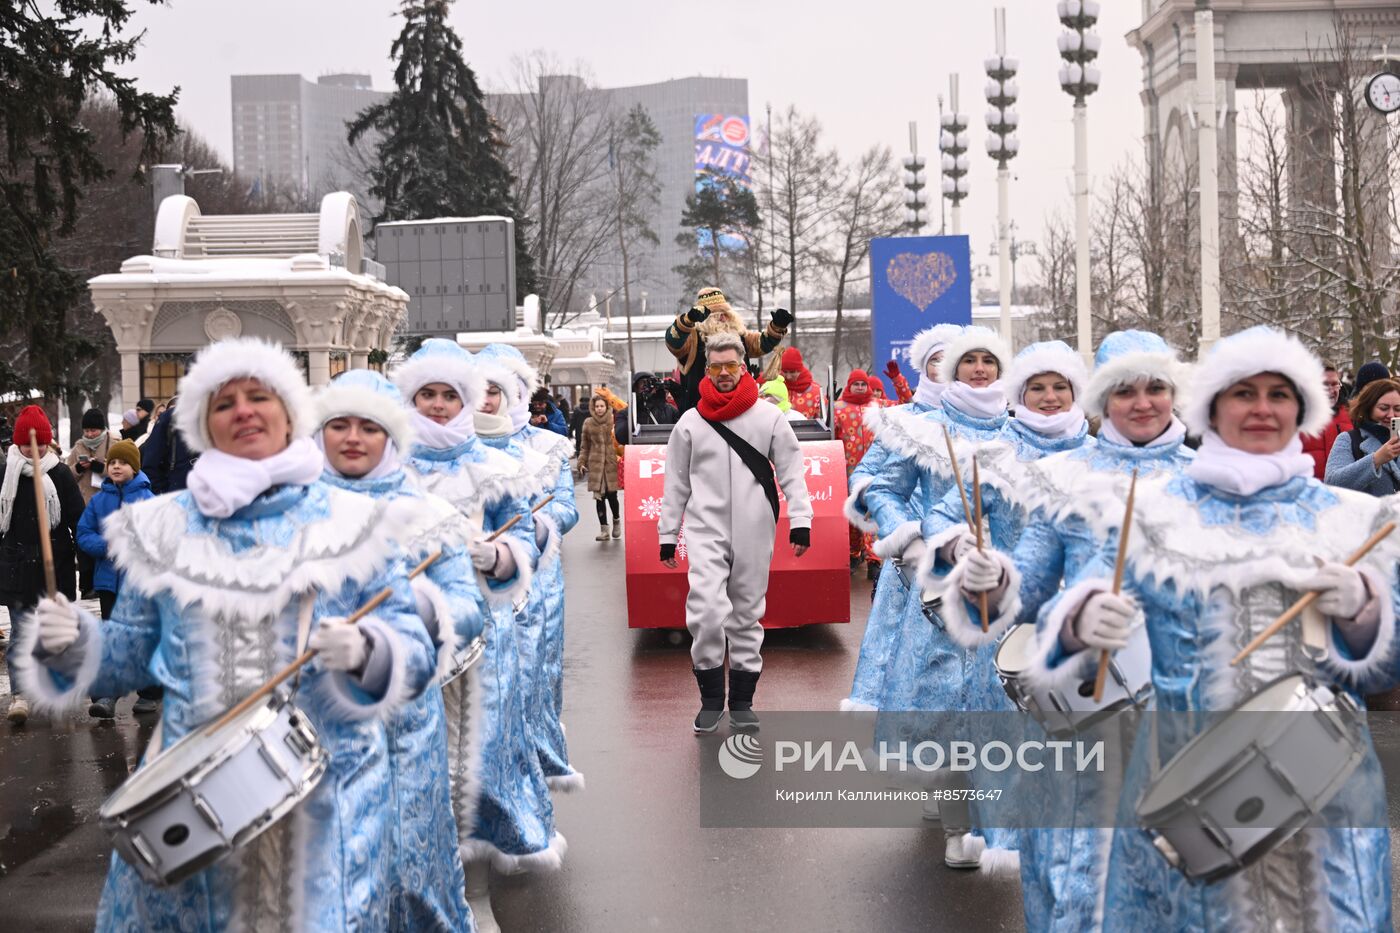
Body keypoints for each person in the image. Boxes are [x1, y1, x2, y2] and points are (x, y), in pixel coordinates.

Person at [16, 337, 436, 929]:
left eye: (258, 396)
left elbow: (415, 655)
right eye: (224, 402)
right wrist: (76, 646)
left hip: (326, 800)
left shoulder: (352, 524)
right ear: (201, 425)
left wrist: (371, 653)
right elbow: (130, 658)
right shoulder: (160, 529)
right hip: (188, 804)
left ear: (289, 413)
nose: (242, 410)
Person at [1036, 326, 1399, 931]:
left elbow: (1386, 673)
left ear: (1303, 408)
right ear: (1212, 407)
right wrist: (1078, 623)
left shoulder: (1354, 519)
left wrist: (1363, 614)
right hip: (1183, 782)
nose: (1261, 409)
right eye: (1242, 393)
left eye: (1278, 394)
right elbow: (1072, 630)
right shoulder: (1148, 515)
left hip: (1323, 792)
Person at [949, 329, 1193, 929]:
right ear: (1102, 400)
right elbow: (1026, 588)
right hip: (1081, 702)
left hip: (1181, 706)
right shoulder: (1062, 478)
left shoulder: (1207, 478)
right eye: (1124, 390)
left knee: (1176, 872)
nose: (1142, 402)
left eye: (1155, 387)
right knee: (1070, 865)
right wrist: (991, 580)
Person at [393, 339, 558, 929]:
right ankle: (418, 899)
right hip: (404, 647)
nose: (437, 405)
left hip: (482, 643)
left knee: (473, 773)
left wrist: (497, 556)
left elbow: (528, 542)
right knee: (413, 776)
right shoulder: (385, 465)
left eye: (449, 395)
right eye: (426, 394)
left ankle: (475, 895)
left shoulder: (494, 470)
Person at [315, 368, 481, 932]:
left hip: (408, 722)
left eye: (371, 426)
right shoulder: (292, 515)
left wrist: (413, 617)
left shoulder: (428, 515)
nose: (354, 437)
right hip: (322, 726)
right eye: (339, 424)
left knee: (414, 864)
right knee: (335, 873)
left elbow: (467, 606)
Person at [860, 325, 1011, 868]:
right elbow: (875, 485)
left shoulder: (1020, 432)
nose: (976, 369)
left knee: (998, 707)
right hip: (934, 588)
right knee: (945, 704)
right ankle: (957, 824)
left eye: (986, 361)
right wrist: (911, 539)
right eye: (964, 361)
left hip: (1008, 595)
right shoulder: (923, 430)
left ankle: (991, 813)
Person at [658, 331, 813, 734]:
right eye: (716, 367)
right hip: (705, 528)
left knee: (746, 615)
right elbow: (675, 483)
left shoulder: (769, 417)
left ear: (744, 367)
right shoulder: (691, 422)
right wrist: (667, 532)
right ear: (706, 370)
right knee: (707, 611)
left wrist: (802, 520)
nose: (724, 374)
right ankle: (711, 700)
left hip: (755, 527)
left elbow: (793, 471)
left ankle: (741, 700)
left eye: (731, 366)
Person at [476, 343, 584, 793]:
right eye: (478, 388)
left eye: (497, 389)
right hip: (476, 582)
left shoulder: (548, 446)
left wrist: (532, 527)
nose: (486, 398)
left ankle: (534, 774)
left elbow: (566, 508)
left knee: (532, 678)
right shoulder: (457, 447)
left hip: (538, 584)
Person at [840, 323, 963, 714]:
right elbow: (866, 475)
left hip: (967, 552)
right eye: (934, 362)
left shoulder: (984, 417)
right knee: (899, 643)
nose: (942, 370)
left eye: (950, 362)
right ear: (923, 368)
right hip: (911, 553)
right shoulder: (903, 419)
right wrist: (901, 528)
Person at [2, 406, 84, 725]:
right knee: (21, 633)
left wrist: (85, 552)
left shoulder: (59, 474)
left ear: (48, 444)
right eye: (27, 446)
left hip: (54, 565)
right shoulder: (4, 474)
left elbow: (77, 517)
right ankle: (20, 695)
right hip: (17, 566)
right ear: (18, 444)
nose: (33, 451)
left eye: (39, 446)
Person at [74, 439, 160, 720]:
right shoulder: (99, 499)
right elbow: (84, 531)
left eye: (122, 462)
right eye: (112, 462)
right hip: (109, 582)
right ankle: (108, 695)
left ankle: (150, 691)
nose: (116, 467)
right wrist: (107, 546)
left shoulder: (147, 499)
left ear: (134, 468)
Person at [665, 286, 791, 412]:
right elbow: (673, 342)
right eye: (717, 314)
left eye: (725, 313)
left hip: (740, 407)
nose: (723, 318)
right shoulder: (692, 338)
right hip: (703, 410)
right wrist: (686, 321)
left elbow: (761, 343)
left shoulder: (738, 334)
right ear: (703, 318)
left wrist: (776, 327)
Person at [834, 368, 909, 575]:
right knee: (851, 514)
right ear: (849, 385)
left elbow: (907, 404)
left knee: (871, 512)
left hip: (875, 470)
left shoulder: (880, 406)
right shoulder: (838, 408)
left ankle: (874, 561)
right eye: (856, 384)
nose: (860, 387)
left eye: (863, 384)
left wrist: (898, 381)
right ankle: (853, 553)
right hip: (847, 469)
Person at [65, 408, 119, 598]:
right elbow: (67, 474)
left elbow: (120, 469)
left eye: (93, 430)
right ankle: (86, 586)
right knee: (85, 544)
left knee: (105, 542)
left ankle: (104, 584)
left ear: (102, 429)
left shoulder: (113, 444)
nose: (89, 434)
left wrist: (100, 467)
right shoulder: (78, 446)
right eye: (86, 430)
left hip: (107, 501)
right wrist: (78, 467)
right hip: (84, 502)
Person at [1323, 376, 1400, 496]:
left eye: (1398, 409)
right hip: (1367, 514)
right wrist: (1376, 459)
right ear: (1369, 408)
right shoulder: (1349, 439)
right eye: (1383, 408)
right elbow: (1332, 482)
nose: (1391, 415)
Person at [578, 394, 622, 541]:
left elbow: (621, 440)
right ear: (593, 407)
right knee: (599, 498)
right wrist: (581, 462)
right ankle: (604, 530)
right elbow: (585, 445)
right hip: (596, 463)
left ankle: (616, 520)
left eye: (602, 406)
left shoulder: (613, 420)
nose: (599, 409)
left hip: (610, 463)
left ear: (607, 406)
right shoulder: (588, 423)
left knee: (612, 497)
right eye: (597, 406)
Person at [1301, 361, 1353, 478]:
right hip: (1308, 491)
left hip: (1345, 492)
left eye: (1334, 384)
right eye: (1324, 385)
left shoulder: (1352, 414)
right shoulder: (1295, 416)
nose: (1330, 390)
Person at [140, 396, 199, 494]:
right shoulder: (170, 419)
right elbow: (150, 465)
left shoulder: (226, 417)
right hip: (178, 497)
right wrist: (164, 494)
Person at [778, 347, 825, 419]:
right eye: (784, 371)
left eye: (792, 372)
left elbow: (824, 423)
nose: (788, 376)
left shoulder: (816, 392)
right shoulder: (775, 388)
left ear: (800, 370)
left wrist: (831, 404)